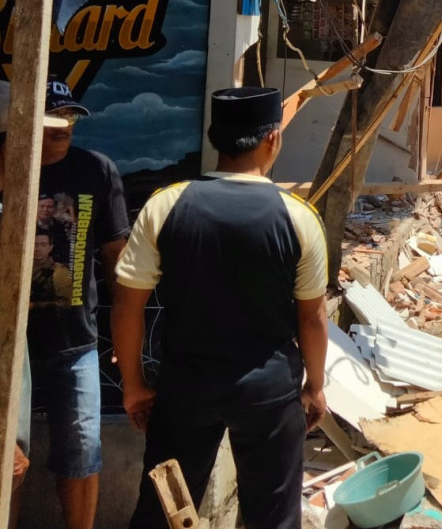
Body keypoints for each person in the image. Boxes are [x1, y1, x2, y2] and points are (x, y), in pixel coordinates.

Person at [114, 87, 329, 529]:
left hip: (186, 388)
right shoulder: (299, 216)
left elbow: (126, 306)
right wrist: (315, 385)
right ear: (273, 139)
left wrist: (134, 386)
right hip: (269, 393)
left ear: (214, 137)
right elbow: (312, 317)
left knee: (161, 510)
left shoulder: (165, 204)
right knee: (272, 519)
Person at [5, 80, 130, 529]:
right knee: (9, 461)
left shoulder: (95, 171)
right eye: (52, 118)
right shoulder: (6, 165)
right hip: (8, 344)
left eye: (70, 118)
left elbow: (117, 258)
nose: (64, 127)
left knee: (82, 454)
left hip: (74, 340)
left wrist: (125, 332)